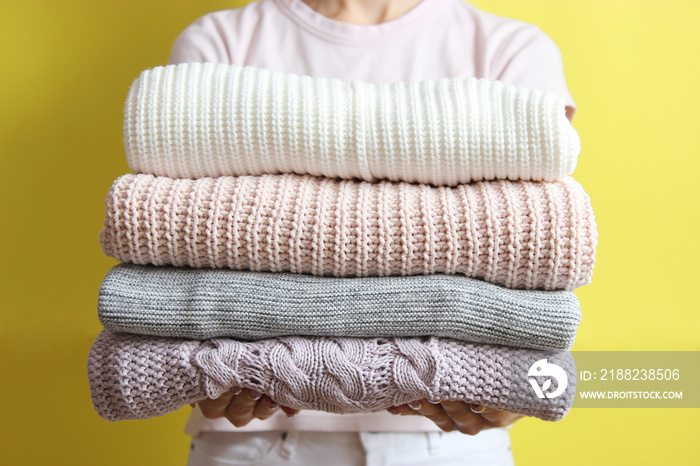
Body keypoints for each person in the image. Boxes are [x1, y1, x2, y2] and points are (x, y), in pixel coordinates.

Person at [167, 1, 576, 464]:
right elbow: (187, 235)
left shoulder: (510, 48)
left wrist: (514, 389)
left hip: (447, 447)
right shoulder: (220, 41)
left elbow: (534, 235)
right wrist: (196, 371)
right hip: (252, 445)